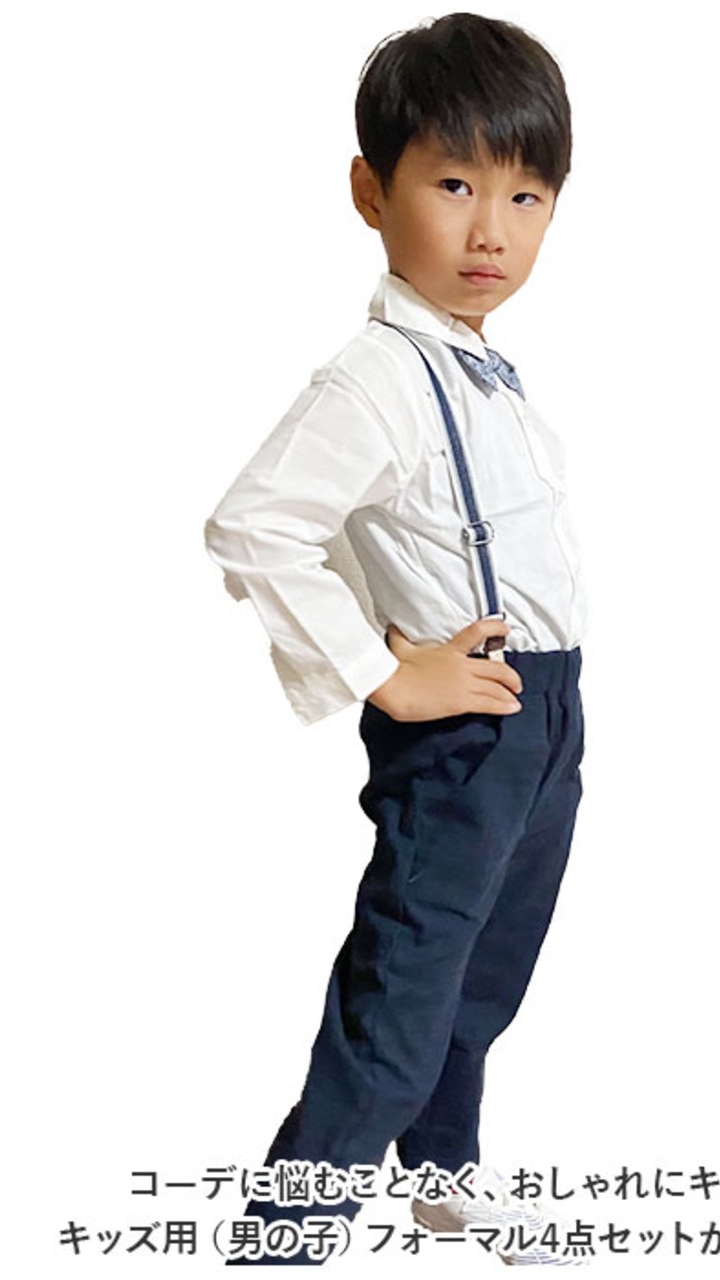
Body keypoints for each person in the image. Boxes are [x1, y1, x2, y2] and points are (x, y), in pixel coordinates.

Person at [205, 13, 588, 1266]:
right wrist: (382, 671)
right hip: (466, 729)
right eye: (454, 184)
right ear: (371, 193)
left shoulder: (480, 367)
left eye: (525, 196)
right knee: (407, 986)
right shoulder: (373, 377)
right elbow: (254, 524)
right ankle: (289, 1228)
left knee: (484, 970)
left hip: (542, 715)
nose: (491, 232)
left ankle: (437, 1171)